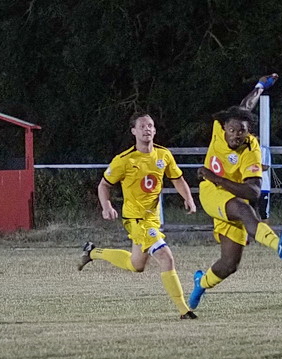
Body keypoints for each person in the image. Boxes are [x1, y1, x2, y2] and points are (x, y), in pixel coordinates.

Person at [78, 113, 198, 319]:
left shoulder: (163, 155)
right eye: (142, 126)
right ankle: (184, 310)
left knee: (136, 265)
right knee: (166, 257)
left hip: (152, 219)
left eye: (150, 125)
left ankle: (93, 252)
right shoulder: (124, 160)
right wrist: (106, 205)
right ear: (133, 131)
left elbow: (177, 178)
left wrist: (188, 197)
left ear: (155, 130)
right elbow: (104, 184)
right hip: (136, 220)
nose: (147, 129)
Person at [189, 74, 282, 309]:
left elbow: (254, 191)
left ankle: (201, 283)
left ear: (249, 131)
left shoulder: (251, 149)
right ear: (224, 127)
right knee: (243, 209)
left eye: (243, 131)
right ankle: (278, 245)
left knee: (229, 264)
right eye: (233, 129)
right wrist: (259, 87)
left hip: (227, 191)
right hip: (210, 192)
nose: (237, 134)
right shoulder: (219, 128)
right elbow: (245, 106)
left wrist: (214, 175)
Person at [257, 144, 272, 222]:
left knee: (263, 212)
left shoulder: (264, 149)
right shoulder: (243, 149)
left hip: (262, 186)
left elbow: (265, 167)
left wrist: (251, 166)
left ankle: (265, 233)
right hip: (248, 186)